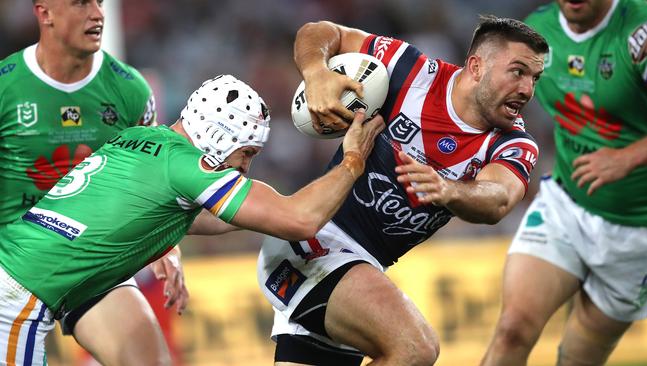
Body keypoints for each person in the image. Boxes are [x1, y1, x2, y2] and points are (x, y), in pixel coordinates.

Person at [0, 74, 384, 366]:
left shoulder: (141, 139)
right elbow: (300, 221)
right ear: (219, 136)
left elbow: (195, 216)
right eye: (246, 153)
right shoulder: (189, 166)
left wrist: (262, 214)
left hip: (19, 273)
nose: (246, 167)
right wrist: (352, 162)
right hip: (18, 297)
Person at [256, 15, 547, 365]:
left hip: (356, 273)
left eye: (535, 78)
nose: (527, 90)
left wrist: (450, 190)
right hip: (315, 241)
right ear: (476, 66)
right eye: (517, 72)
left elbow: (499, 198)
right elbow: (319, 32)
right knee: (415, 347)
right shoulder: (409, 71)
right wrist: (317, 72)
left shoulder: (515, 142)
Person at [0, 0, 188, 364]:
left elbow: (149, 184)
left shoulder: (130, 91)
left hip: (88, 260)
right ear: (45, 13)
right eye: (81, 3)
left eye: (100, 3)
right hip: (12, 265)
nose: (97, 13)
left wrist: (169, 248)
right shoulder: (6, 88)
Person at [481, 0, 647, 365]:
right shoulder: (538, 32)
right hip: (566, 206)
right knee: (512, 329)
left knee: (577, 357)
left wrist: (627, 157)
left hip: (639, 230)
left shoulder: (641, 31)